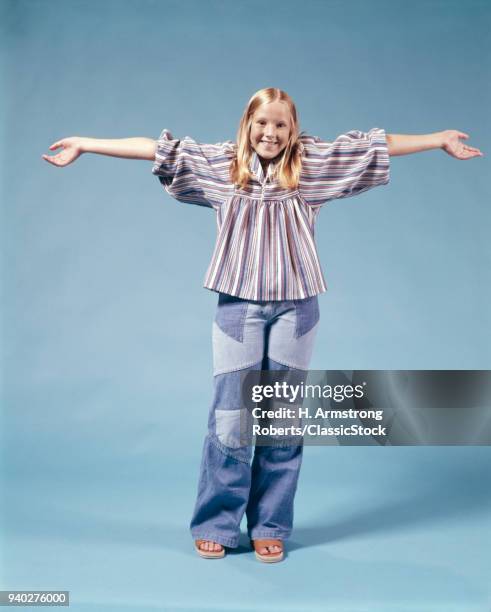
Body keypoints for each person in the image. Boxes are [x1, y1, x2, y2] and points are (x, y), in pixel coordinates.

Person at [42, 87, 483, 563]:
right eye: (262, 123)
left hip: (297, 309)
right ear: (247, 125)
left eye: (280, 125)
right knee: (231, 419)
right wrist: (86, 142)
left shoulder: (312, 166)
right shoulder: (222, 166)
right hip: (239, 308)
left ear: (292, 130)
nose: (270, 133)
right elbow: (155, 148)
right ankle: (217, 522)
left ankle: (270, 524)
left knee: (282, 419)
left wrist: (438, 139)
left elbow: (377, 145)